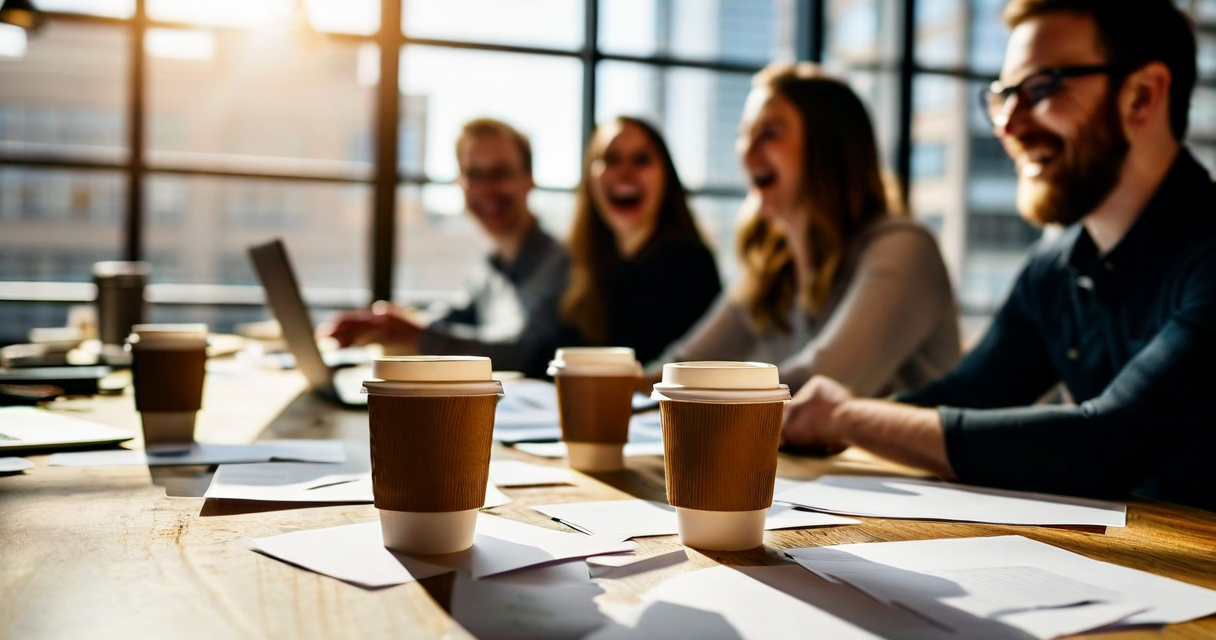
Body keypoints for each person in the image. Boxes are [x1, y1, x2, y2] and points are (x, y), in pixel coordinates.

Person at [782, 0, 1216, 511]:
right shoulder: (1054, 268)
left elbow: (1110, 442)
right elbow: (972, 393)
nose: (1008, 125)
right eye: (1004, 96)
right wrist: (839, 419)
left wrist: (847, 418)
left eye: (1042, 87)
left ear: (1141, 96)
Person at [649, 63, 960, 402]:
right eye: (744, 133)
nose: (747, 151)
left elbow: (823, 383)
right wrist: (617, 389)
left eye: (770, 132)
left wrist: (686, 397)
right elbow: (681, 364)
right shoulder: (771, 269)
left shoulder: (905, 248)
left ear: (828, 149)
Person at [327, 118, 568, 378]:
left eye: (500, 173)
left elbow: (524, 353)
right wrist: (384, 323)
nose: (486, 189)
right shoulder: (492, 265)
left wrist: (415, 335)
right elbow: (450, 318)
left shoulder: (561, 263)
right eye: (474, 175)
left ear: (529, 179)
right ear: (460, 183)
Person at [559, 117, 722, 364]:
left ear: (666, 177)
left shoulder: (691, 266)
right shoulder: (580, 266)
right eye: (611, 159)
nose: (625, 173)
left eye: (641, 160)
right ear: (590, 177)